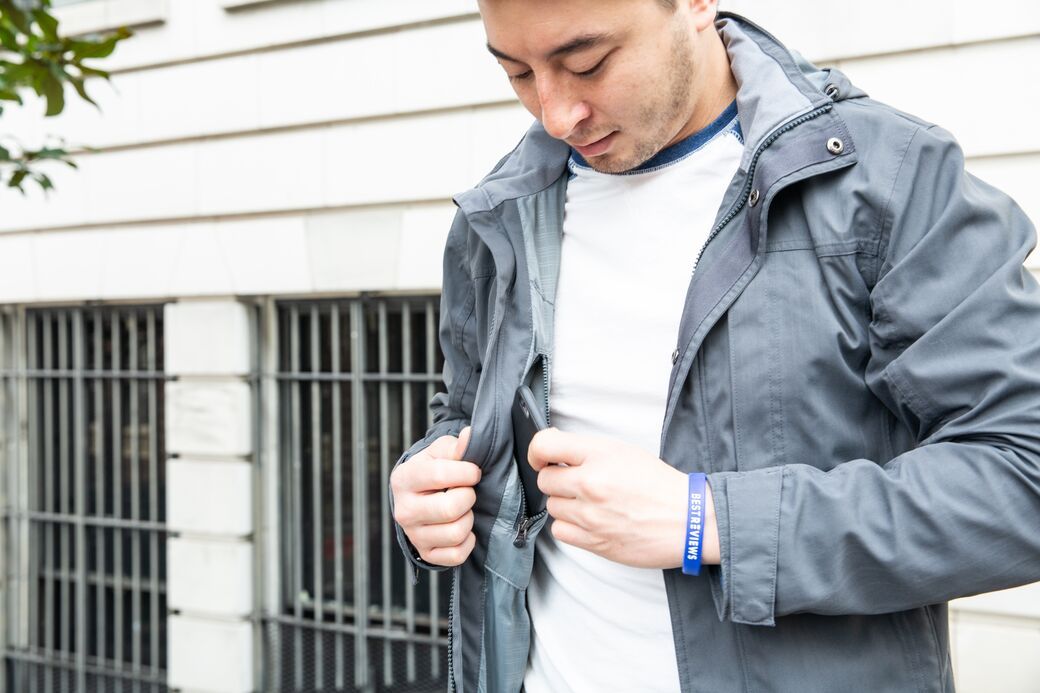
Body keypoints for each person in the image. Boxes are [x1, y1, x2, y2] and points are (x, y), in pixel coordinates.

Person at [389, 1, 1040, 691]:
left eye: (588, 63)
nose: (555, 114)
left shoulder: (887, 178)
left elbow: (1023, 475)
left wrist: (708, 521)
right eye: (518, 71)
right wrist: (427, 490)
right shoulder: (500, 212)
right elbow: (462, 416)